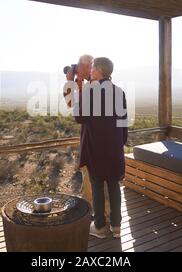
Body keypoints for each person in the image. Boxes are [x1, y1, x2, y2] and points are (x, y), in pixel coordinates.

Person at [73, 57, 128, 239]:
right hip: (114, 150)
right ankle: (116, 226)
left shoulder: (91, 91)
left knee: (97, 186)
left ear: (98, 70)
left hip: (96, 149)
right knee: (114, 186)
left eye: (92, 68)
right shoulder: (120, 92)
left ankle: (99, 227)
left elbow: (79, 118)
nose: (90, 71)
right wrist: (119, 144)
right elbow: (123, 124)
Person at [63, 55, 112, 222]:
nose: (77, 70)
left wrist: (71, 82)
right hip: (99, 142)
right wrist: (75, 84)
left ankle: (100, 217)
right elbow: (73, 103)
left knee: (96, 181)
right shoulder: (96, 84)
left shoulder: (95, 86)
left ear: (89, 67)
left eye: (80, 67)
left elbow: (76, 109)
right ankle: (101, 216)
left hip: (95, 143)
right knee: (95, 181)